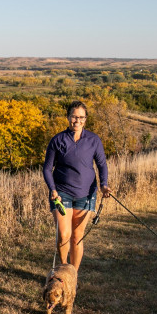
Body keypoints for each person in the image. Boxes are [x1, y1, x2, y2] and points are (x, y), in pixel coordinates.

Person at [42, 101, 112, 268]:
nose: (77, 120)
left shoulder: (94, 140)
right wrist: (52, 189)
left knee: (77, 237)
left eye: (81, 117)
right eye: (74, 116)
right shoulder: (57, 140)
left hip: (86, 194)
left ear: (85, 119)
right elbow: (46, 169)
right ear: (68, 117)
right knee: (64, 234)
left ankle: (73, 276)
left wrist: (104, 185)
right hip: (61, 193)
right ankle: (64, 270)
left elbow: (101, 164)